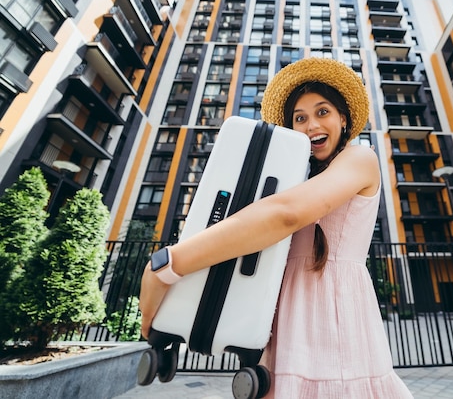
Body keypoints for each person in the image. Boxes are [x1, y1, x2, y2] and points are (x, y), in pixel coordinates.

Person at [139, 57, 413, 398]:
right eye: (300, 118)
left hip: (334, 320)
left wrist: (167, 265)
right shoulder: (292, 177)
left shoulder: (360, 158)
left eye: (323, 112)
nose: (312, 124)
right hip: (283, 326)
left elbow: (285, 214)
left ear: (344, 118)